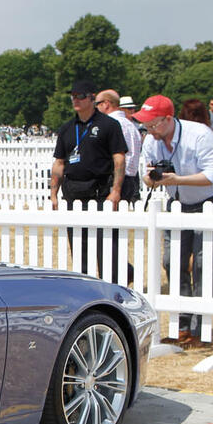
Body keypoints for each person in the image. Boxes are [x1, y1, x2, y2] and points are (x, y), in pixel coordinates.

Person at [134, 94, 213, 346]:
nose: (149, 129)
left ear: (167, 119)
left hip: (211, 200)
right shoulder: (151, 141)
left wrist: (176, 180)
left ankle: (201, 329)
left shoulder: (199, 134)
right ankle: (182, 325)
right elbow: (147, 175)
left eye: (153, 124)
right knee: (171, 261)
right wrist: (153, 179)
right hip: (177, 202)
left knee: (201, 262)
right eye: (146, 125)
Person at [49, 81, 126, 277]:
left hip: (100, 193)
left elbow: (119, 158)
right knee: (80, 249)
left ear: (92, 98)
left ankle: (112, 287)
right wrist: (53, 193)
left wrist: (116, 190)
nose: (76, 99)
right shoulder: (67, 128)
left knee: (106, 248)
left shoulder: (109, 125)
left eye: (81, 96)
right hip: (73, 193)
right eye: (73, 96)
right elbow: (59, 162)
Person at [96, 89, 142, 203]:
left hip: (114, 179)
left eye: (97, 104)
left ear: (106, 104)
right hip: (130, 178)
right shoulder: (131, 126)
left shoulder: (111, 124)